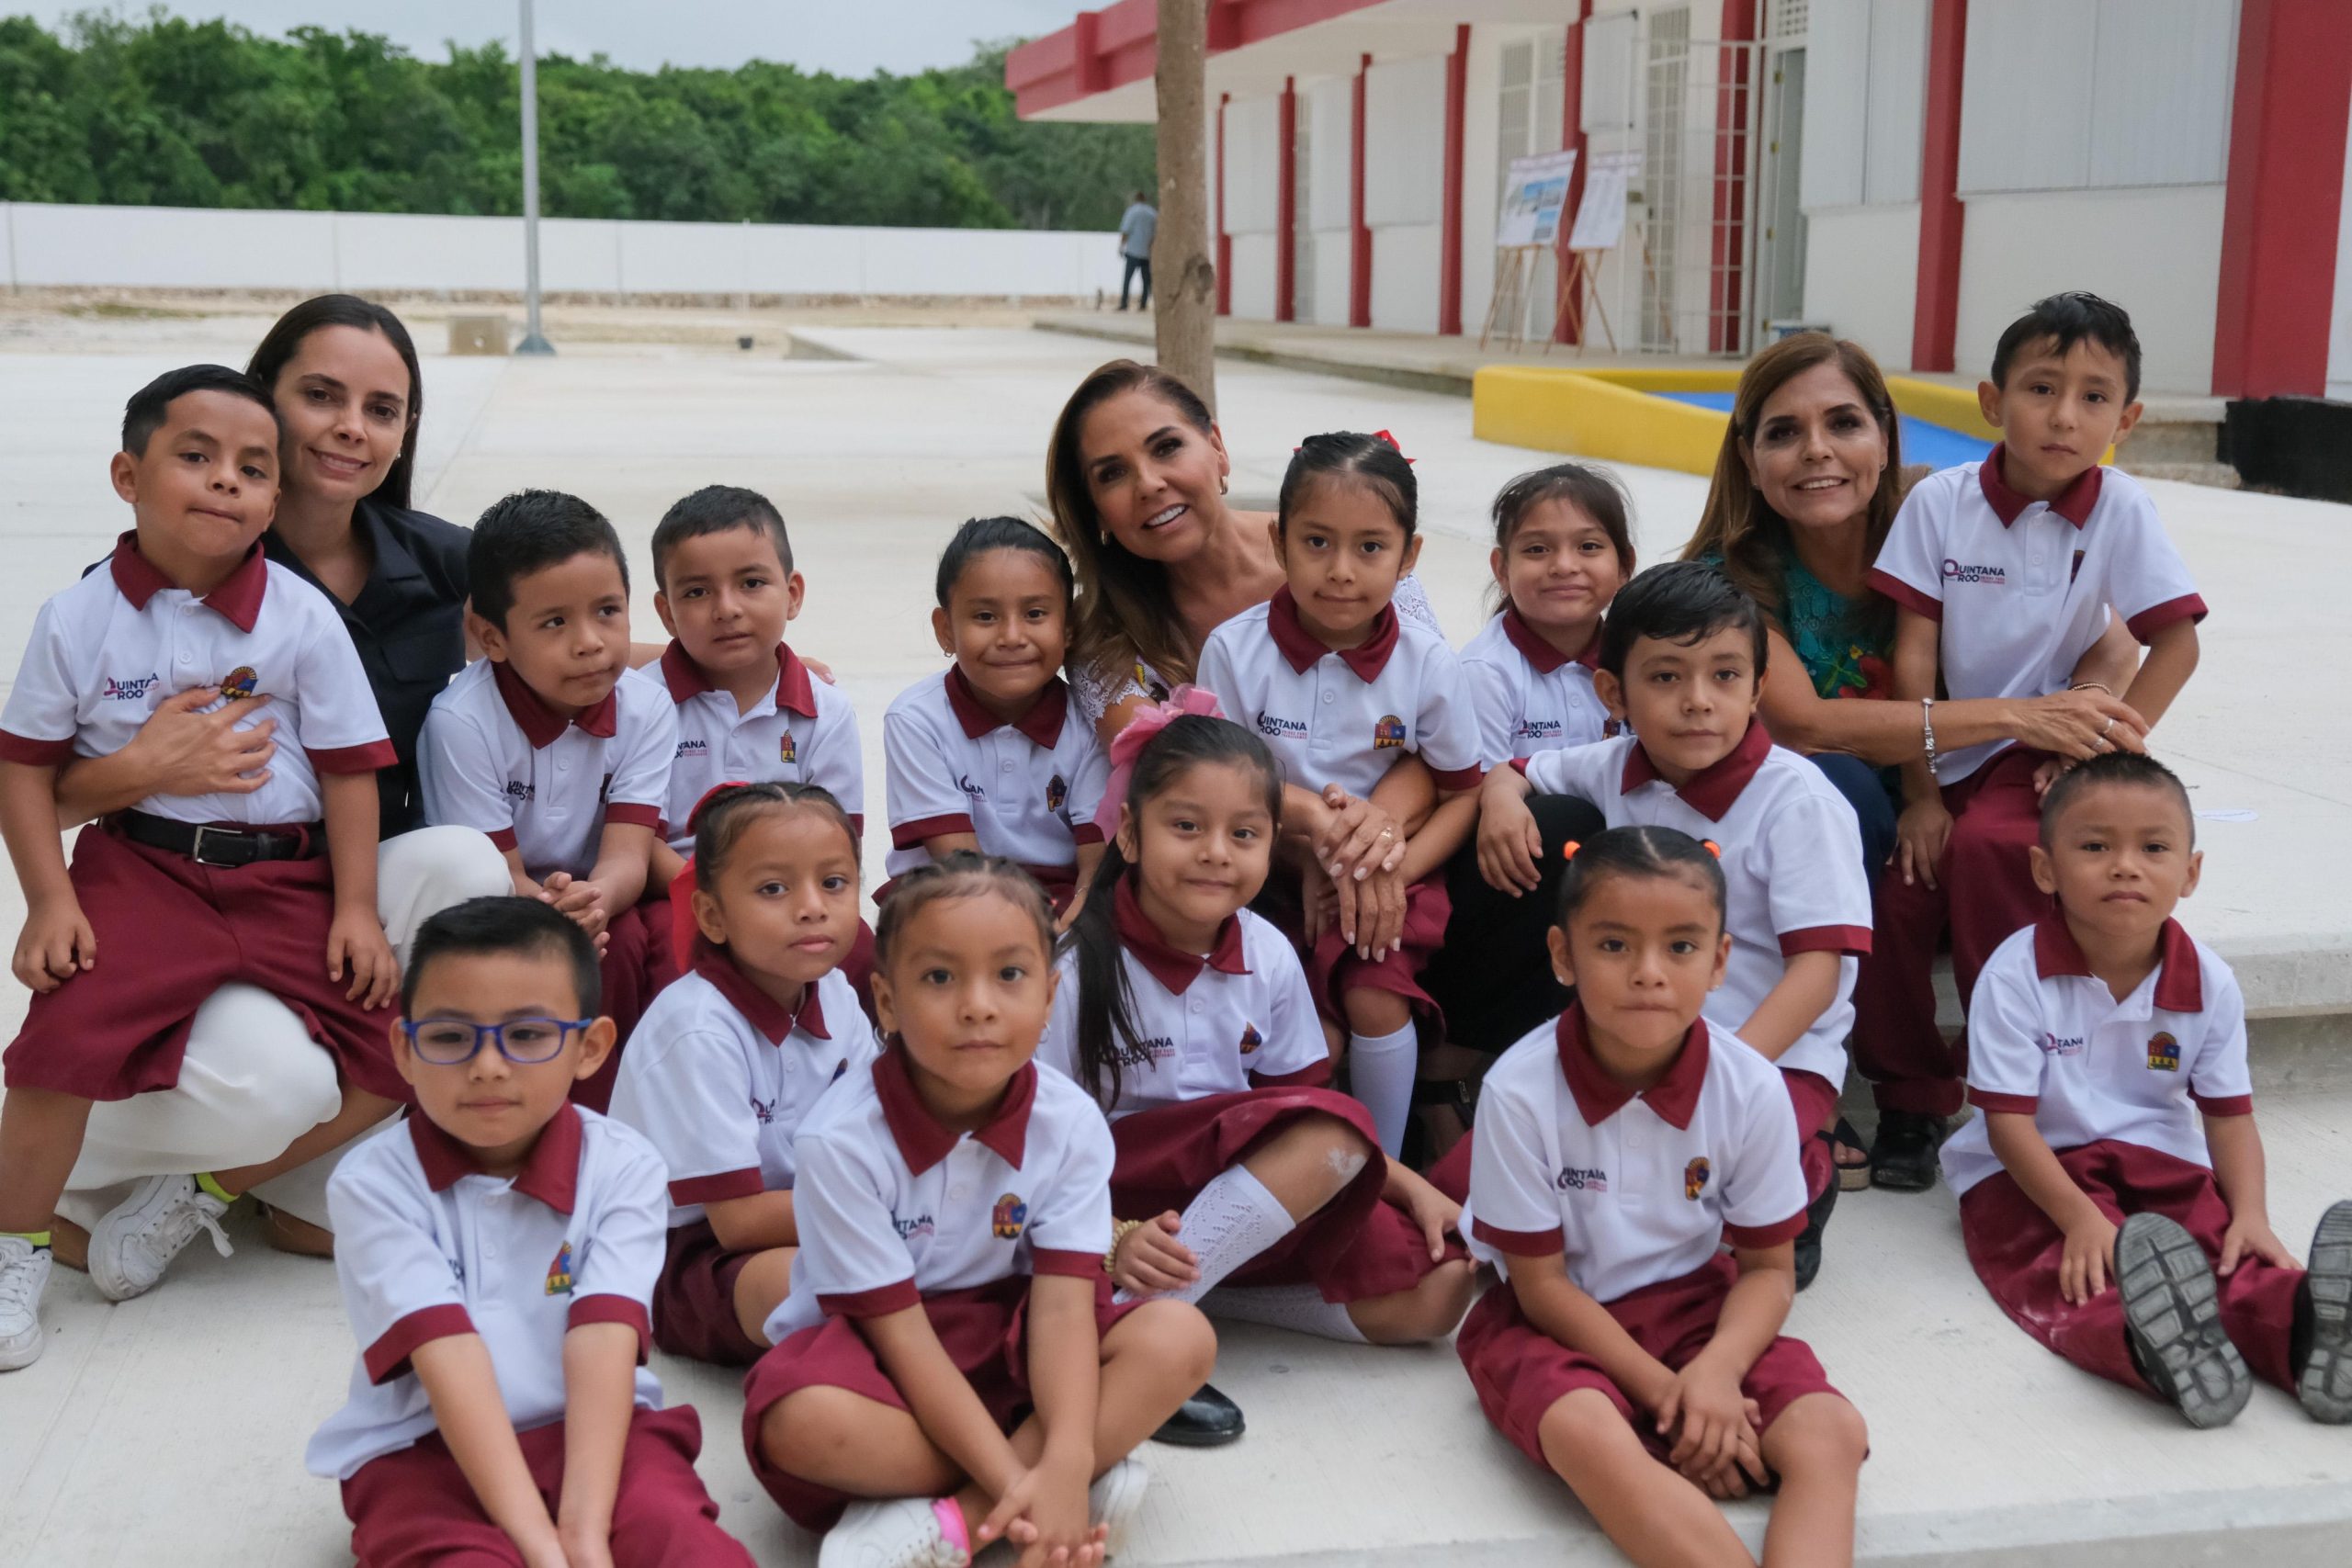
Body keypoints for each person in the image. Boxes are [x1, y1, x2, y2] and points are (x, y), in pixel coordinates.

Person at [51, 294, 508, 1263]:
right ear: (261, 400)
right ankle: (50, 1160)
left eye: (382, 409)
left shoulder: (441, 559)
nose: (351, 426)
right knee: (272, 1085)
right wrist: (136, 770)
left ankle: (245, 1180)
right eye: (320, 395)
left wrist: (702, 653)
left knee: (469, 866)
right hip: (213, 892)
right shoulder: (167, 576)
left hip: (356, 904)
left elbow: (563, 632)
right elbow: (36, 786)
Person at [1679, 330, 2148, 1191]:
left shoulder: (1945, 515)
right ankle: (1881, 1088)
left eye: (1844, 424)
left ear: (1886, 437)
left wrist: (2070, 731)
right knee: (1840, 789)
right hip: (1837, 823)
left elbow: (2119, 646)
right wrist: (2017, 712)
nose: (1817, 452)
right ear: (1748, 456)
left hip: (1967, 791)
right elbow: (1812, 724)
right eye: (1783, 433)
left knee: (2014, 844)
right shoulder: (1732, 579)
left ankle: (2039, 1078)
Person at [0, 367, 404, 1364]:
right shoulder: (78, 618)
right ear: (126, 475)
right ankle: (17, 1243)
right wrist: (46, 900)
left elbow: (353, 773)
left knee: (405, 1052)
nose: (226, 481)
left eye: (252, 468)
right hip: (143, 873)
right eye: (197, 456)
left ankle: (196, 1191)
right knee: (61, 1047)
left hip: (284, 877)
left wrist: (354, 906)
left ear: (275, 498)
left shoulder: (301, 617)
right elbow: (22, 768)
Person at [742, 852, 1216, 1568]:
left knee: (1180, 1336)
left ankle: (958, 1522)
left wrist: (1057, 1455)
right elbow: (898, 1335)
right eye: (938, 977)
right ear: (886, 1001)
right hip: (882, 1352)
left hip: (1019, 1341)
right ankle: (1074, 1470)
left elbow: (1061, 1308)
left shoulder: (1071, 1122)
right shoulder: (839, 1141)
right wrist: (1033, 1477)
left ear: (1051, 996)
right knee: (795, 1422)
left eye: (1010, 975)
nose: (978, 1005)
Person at [1044, 705, 1474, 1444]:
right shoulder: (1075, 967)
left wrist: (1415, 1187)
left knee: (1440, 1293)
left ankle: (1197, 1285)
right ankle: (1135, 1310)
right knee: (1328, 1135)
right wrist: (1114, 1237)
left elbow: (1300, 1105)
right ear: (1129, 833)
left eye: (1243, 834)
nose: (1216, 852)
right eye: (1186, 827)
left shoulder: (1266, 950)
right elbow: (1026, 1145)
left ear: (1273, 845)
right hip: (1111, 1198)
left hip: (1233, 1191)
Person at [1859, 293, 2207, 1192]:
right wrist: (1923, 795)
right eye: (2041, 388)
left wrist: (2107, 748)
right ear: (1989, 400)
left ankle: (2013, 1084)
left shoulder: (2119, 511)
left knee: (1993, 852)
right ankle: (1909, 1096)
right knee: (1898, 899)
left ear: (2124, 420)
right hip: (1941, 744)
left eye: (2094, 397)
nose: (2063, 415)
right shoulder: (1938, 503)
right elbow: (1914, 658)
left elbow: (2176, 641)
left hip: (2037, 753)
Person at [1457, 826, 1869, 1568]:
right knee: (1589, 1434)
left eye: (1680, 947)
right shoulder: (1518, 1091)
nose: (1648, 973)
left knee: (1829, 1433)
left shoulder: (1750, 1086)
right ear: (1562, 955)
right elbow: (1541, 1287)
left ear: (1718, 962)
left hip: (1699, 1314)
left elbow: (1769, 1270)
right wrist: (1672, 1396)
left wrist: (1712, 1374)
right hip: (1553, 1324)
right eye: (1614, 945)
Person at [305, 897, 755, 1566]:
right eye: (452, 1036)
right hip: (425, 1451)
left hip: (600, 1435)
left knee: (685, 1543)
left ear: (590, 1047)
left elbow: (602, 1341)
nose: (488, 1065)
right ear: (404, 1048)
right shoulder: (372, 1184)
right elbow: (448, 1359)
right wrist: (543, 1548)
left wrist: (581, 1529)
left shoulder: (626, 1167)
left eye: (528, 1034)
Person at [1478, 563, 1871, 1289]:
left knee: (1690, 1247)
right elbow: (1521, 767)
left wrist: (1728, 1080)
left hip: (1768, 1059)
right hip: (1632, 1041)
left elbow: (1820, 971)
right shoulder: (1615, 764)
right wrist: (1502, 795)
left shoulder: (1798, 801)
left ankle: (1803, 1172)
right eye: (1665, 678)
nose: (1698, 703)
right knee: (1483, 1212)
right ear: (1612, 693)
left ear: (1757, 689)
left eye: (1725, 676)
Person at [1939, 752, 2352, 1427]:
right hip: (2028, 1169)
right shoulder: (2015, 975)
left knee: (2222, 1248)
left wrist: (2250, 1212)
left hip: (2159, 1157)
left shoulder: (2208, 982)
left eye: (2153, 847)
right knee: (2074, 1267)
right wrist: (2078, 1216)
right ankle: (2150, 1348)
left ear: (2190, 873)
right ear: (2045, 868)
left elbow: (2229, 1117)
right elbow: (2009, 1124)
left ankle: (2306, 1328)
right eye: (2095, 845)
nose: (2125, 865)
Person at [1046, 359, 1431, 964]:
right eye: (1113, 474)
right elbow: (1182, 777)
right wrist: (1310, 834)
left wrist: (1364, 843)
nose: (1148, 483)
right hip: (1224, 869)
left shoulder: (1342, 555)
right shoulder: (1102, 637)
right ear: (1095, 509)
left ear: (1218, 448)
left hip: (1383, 845)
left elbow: (1435, 737)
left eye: (1167, 447)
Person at [1195, 432, 1486, 1161]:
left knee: (1373, 994)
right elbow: (1221, 781)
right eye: (1317, 541)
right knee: (1285, 1019)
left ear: (1409, 556)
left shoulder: (1427, 662)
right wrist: (1305, 853)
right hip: (1264, 874)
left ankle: (1382, 1170)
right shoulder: (1234, 651)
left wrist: (1393, 869)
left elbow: (1461, 793)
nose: (1341, 571)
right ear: (1279, 541)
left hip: (1389, 881)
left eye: (1370, 547)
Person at [417, 490, 678, 1111]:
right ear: (492, 636)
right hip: (492, 902)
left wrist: (594, 901)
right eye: (555, 622)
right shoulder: (463, 721)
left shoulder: (646, 707)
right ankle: (540, 1124)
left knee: (655, 943)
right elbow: (495, 872)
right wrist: (557, 913)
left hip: (596, 899)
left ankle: (636, 1130)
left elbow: (628, 854)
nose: (591, 642)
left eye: (608, 611)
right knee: (550, 970)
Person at [607, 783, 877, 1365]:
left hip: (822, 1215)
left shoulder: (834, 991)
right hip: (689, 1255)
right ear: (712, 915)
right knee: (821, 1283)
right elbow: (738, 1222)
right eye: (773, 888)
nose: (811, 906)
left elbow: (882, 1131)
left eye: (834, 883)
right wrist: (894, 1214)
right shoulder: (698, 1029)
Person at [1423, 463, 1633, 1128]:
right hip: (1507, 873)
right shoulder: (1486, 671)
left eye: (1588, 547)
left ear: (1624, 565)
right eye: (1537, 549)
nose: (1563, 566)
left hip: (1604, 865)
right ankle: (1451, 1069)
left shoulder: (1636, 658)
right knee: (1562, 822)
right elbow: (1475, 790)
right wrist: (1503, 794)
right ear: (1501, 564)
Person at [882, 517, 1108, 918]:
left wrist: (1080, 923)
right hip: (945, 895)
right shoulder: (916, 719)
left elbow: (1095, 863)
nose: (1011, 636)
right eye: (985, 617)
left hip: (1062, 898)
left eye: (1035, 613)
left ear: (1069, 627)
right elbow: (958, 863)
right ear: (946, 630)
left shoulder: (1090, 719)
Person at [1116, 191, 1156, 312]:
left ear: (1136, 199)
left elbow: (1126, 230)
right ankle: (1143, 304)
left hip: (1133, 250)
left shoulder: (1132, 212)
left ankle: (1124, 303)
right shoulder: (1152, 213)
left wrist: (1121, 246)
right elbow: (1155, 233)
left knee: (1128, 279)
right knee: (1146, 280)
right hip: (1146, 252)